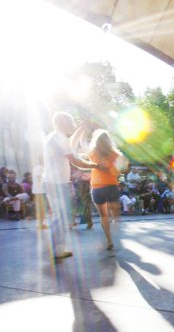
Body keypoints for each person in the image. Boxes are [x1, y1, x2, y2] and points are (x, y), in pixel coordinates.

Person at [43, 112, 100, 263]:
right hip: (57, 183)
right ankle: (54, 250)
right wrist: (95, 166)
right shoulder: (60, 138)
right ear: (63, 123)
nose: (73, 124)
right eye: (72, 122)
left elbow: (72, 146)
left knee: (60, 216)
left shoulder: (53, 136)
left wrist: (81, 128)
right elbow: (75, 161)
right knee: (61, 216)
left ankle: (58, 250)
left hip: (52, 181)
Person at [88, 129, 126, 251]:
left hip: (97, 187)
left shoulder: (93, 152)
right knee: (115, 213)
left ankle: (109, 240)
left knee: (103, 216)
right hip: (111, 185)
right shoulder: (115, 154)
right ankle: (116, 230)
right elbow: (119, 170)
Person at [32, 160, 49, 230]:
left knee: (42, 208)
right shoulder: (39, 168)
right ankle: (39, 224)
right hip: (40, 191)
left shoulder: (40, 168)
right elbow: (39, 178)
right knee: (40, 208)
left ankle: (41, 223)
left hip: (40, 191)